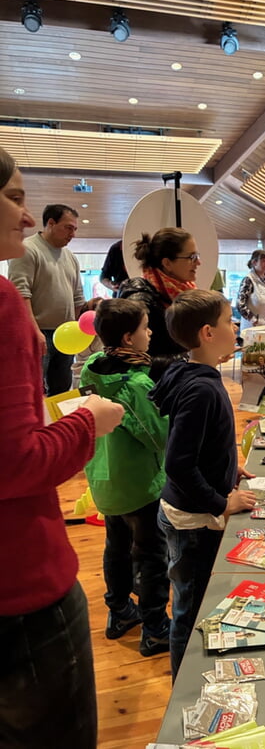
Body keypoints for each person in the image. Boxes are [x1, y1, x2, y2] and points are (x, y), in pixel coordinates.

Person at [0, 147, 124, 747]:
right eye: (14, 197)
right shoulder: (6, 306)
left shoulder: (68, 261)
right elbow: (17, 461)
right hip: (21, 584)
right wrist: (88, 423)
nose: (22, 218)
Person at [149, 289, 257, 680]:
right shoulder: (200, 387)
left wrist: (229, 472)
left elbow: (205, 444)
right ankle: (184, 685)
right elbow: (178, 463)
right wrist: (220, 501)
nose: (236, 327)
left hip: (192, 511)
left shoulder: (191, 372)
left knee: (197, 604)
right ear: (208, 333)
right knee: (190, 611)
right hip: (193, 522)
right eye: (230, 321)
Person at [80, 298, 171, 658]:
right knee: (151, 555)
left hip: (103, 480)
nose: (150, 333)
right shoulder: (133, 383)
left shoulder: (91, 368)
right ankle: (155, 628)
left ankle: (119, 613)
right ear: (128, 338)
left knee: (116, 547)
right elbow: (158, 437)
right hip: (137, 484)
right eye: (146, 327)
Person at [8, 202, 96, 395]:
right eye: (68, 228)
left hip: (65, 333)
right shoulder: (27, 250)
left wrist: (78, 328)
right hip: (38, 332)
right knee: (33, 390)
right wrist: (34, 332)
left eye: (75, 229)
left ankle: (59, 425)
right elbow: (20, 294)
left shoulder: (70, 257)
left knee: (62, 389)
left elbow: (77, 298)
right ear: (50, 223)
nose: (72, 234)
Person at [118, 227, 199, 378]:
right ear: (167, 263)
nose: (198, 263)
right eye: (192, 257)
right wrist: (194, 358)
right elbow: (133, 361)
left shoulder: (181, 293)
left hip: (177, 382)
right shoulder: (139, 299)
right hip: (152, 394)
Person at [237, 248, 265, 331]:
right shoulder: (248, 280)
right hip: (252, 328)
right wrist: (253, 319)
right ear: (254, 262)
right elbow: (240, 304)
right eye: (263, 261)